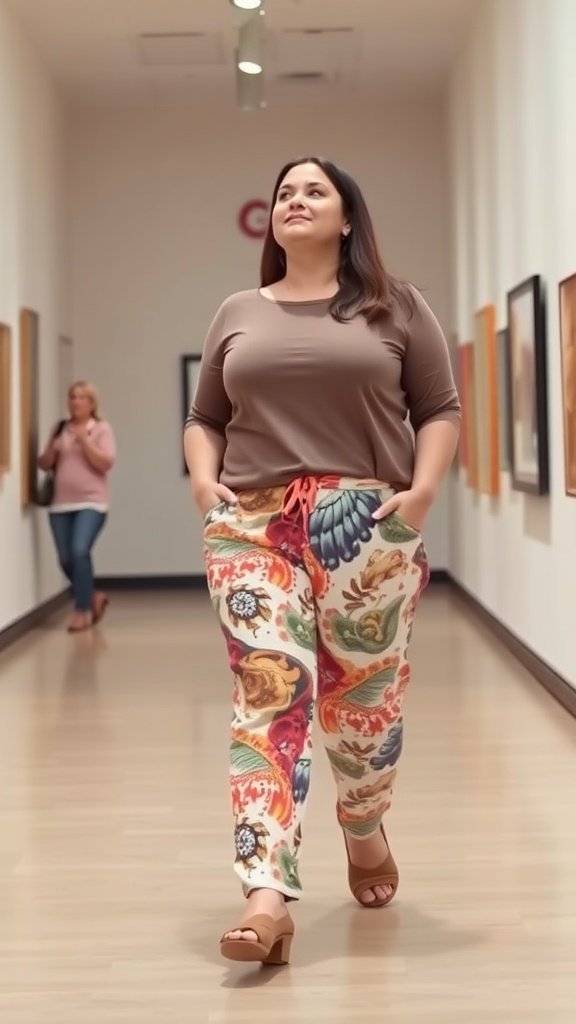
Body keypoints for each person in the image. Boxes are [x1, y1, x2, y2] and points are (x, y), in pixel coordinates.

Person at [184, 156, 460, 966]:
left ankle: (364, 824)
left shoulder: (396, 307)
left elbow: (439, 407)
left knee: (361, 710)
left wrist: (421, 496)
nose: (294, 201)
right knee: (271, 695)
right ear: (269, 221)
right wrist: (206, 483)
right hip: (252, 527)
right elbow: (205, 417)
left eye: (314, 190)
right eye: (283, 193)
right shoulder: (237, 311)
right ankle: (266, 896)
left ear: (347, 219)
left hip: (366, 523)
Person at [38, 380, 116, 633]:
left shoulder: (101, 429)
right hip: (60, 505)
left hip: (92, 503)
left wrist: (84, 441)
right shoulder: (60, 428)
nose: (75, 402)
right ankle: (93, 597)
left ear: (92, 403)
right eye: (72, 397)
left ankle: (81, 611)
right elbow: (44, 463)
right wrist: (54, 449)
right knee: (65, 559)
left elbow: (105, 463)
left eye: (82, 398)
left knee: (79, 550)